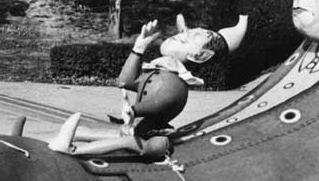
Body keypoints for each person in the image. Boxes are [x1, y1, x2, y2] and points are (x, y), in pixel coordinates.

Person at [49, 14, 247, 160]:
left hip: (153, 138)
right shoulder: (160, 71)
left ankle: (74, 151)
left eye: (189, 38)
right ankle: (63, 139)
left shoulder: (176, 83)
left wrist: (135, 109)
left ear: (199, 56)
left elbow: (164, 101)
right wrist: (138, 49)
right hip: (137, 127)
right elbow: (125, 82)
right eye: (185, 32)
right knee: (92, 131)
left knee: (127, 141)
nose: (181, 34)